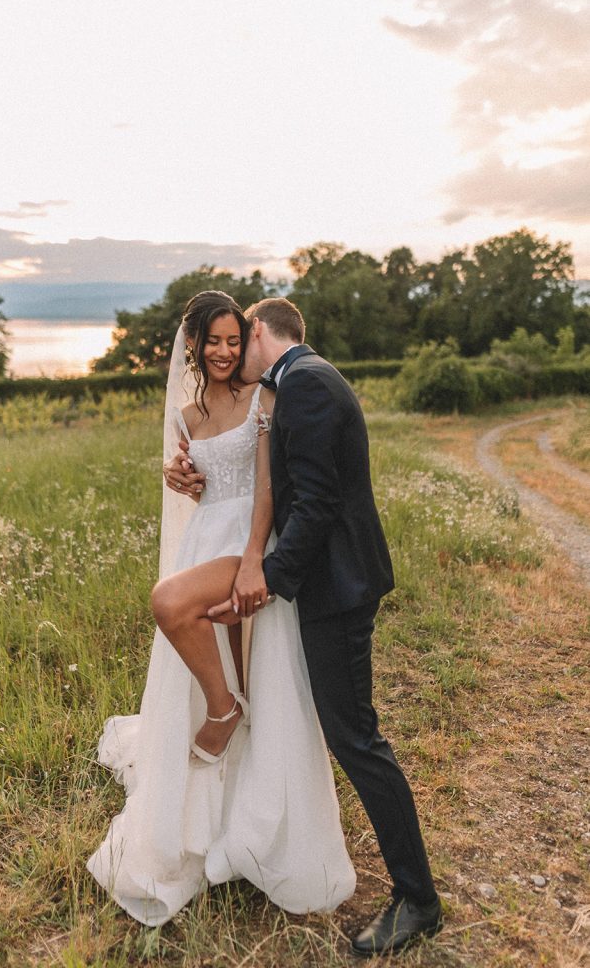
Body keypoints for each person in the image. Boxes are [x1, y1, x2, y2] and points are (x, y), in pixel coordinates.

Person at [167, 297, 443, 958]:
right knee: (344, 732)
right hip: (325, 585)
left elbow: (316, 502)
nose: (234, 356)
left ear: (257, 332)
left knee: (356, 739)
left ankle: (418, 900)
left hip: (336, 590)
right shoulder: (297, 383)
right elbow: (289, 486)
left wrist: (264, 578)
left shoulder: (307, 383)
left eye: (240, 338)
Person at [87, 290, 356, 927]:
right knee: (212, 648)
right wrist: (174, 470)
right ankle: (220, 730)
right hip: (205, 538)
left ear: (247, 340)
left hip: (249, 544)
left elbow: (266, 487)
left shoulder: (263, 398)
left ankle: (252, 798)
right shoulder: (185, 412)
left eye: (236, 341)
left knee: (233, 650)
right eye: (215, 341)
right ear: (193, 343)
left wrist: (255, 558)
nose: (226, 352)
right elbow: (188, 477)